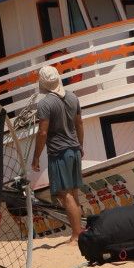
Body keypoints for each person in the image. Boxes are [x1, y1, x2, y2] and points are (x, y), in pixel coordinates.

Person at [30, 63, 85, 242]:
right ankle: (82, 232)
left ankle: (76, 235)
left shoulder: (45, 104)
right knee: (74, 193)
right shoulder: (72, 97)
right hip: (74, 149)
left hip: (59, 152)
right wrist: (80, 146)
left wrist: (36, 157)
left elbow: (43, 132)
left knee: (64, 194)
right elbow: (79, 124)